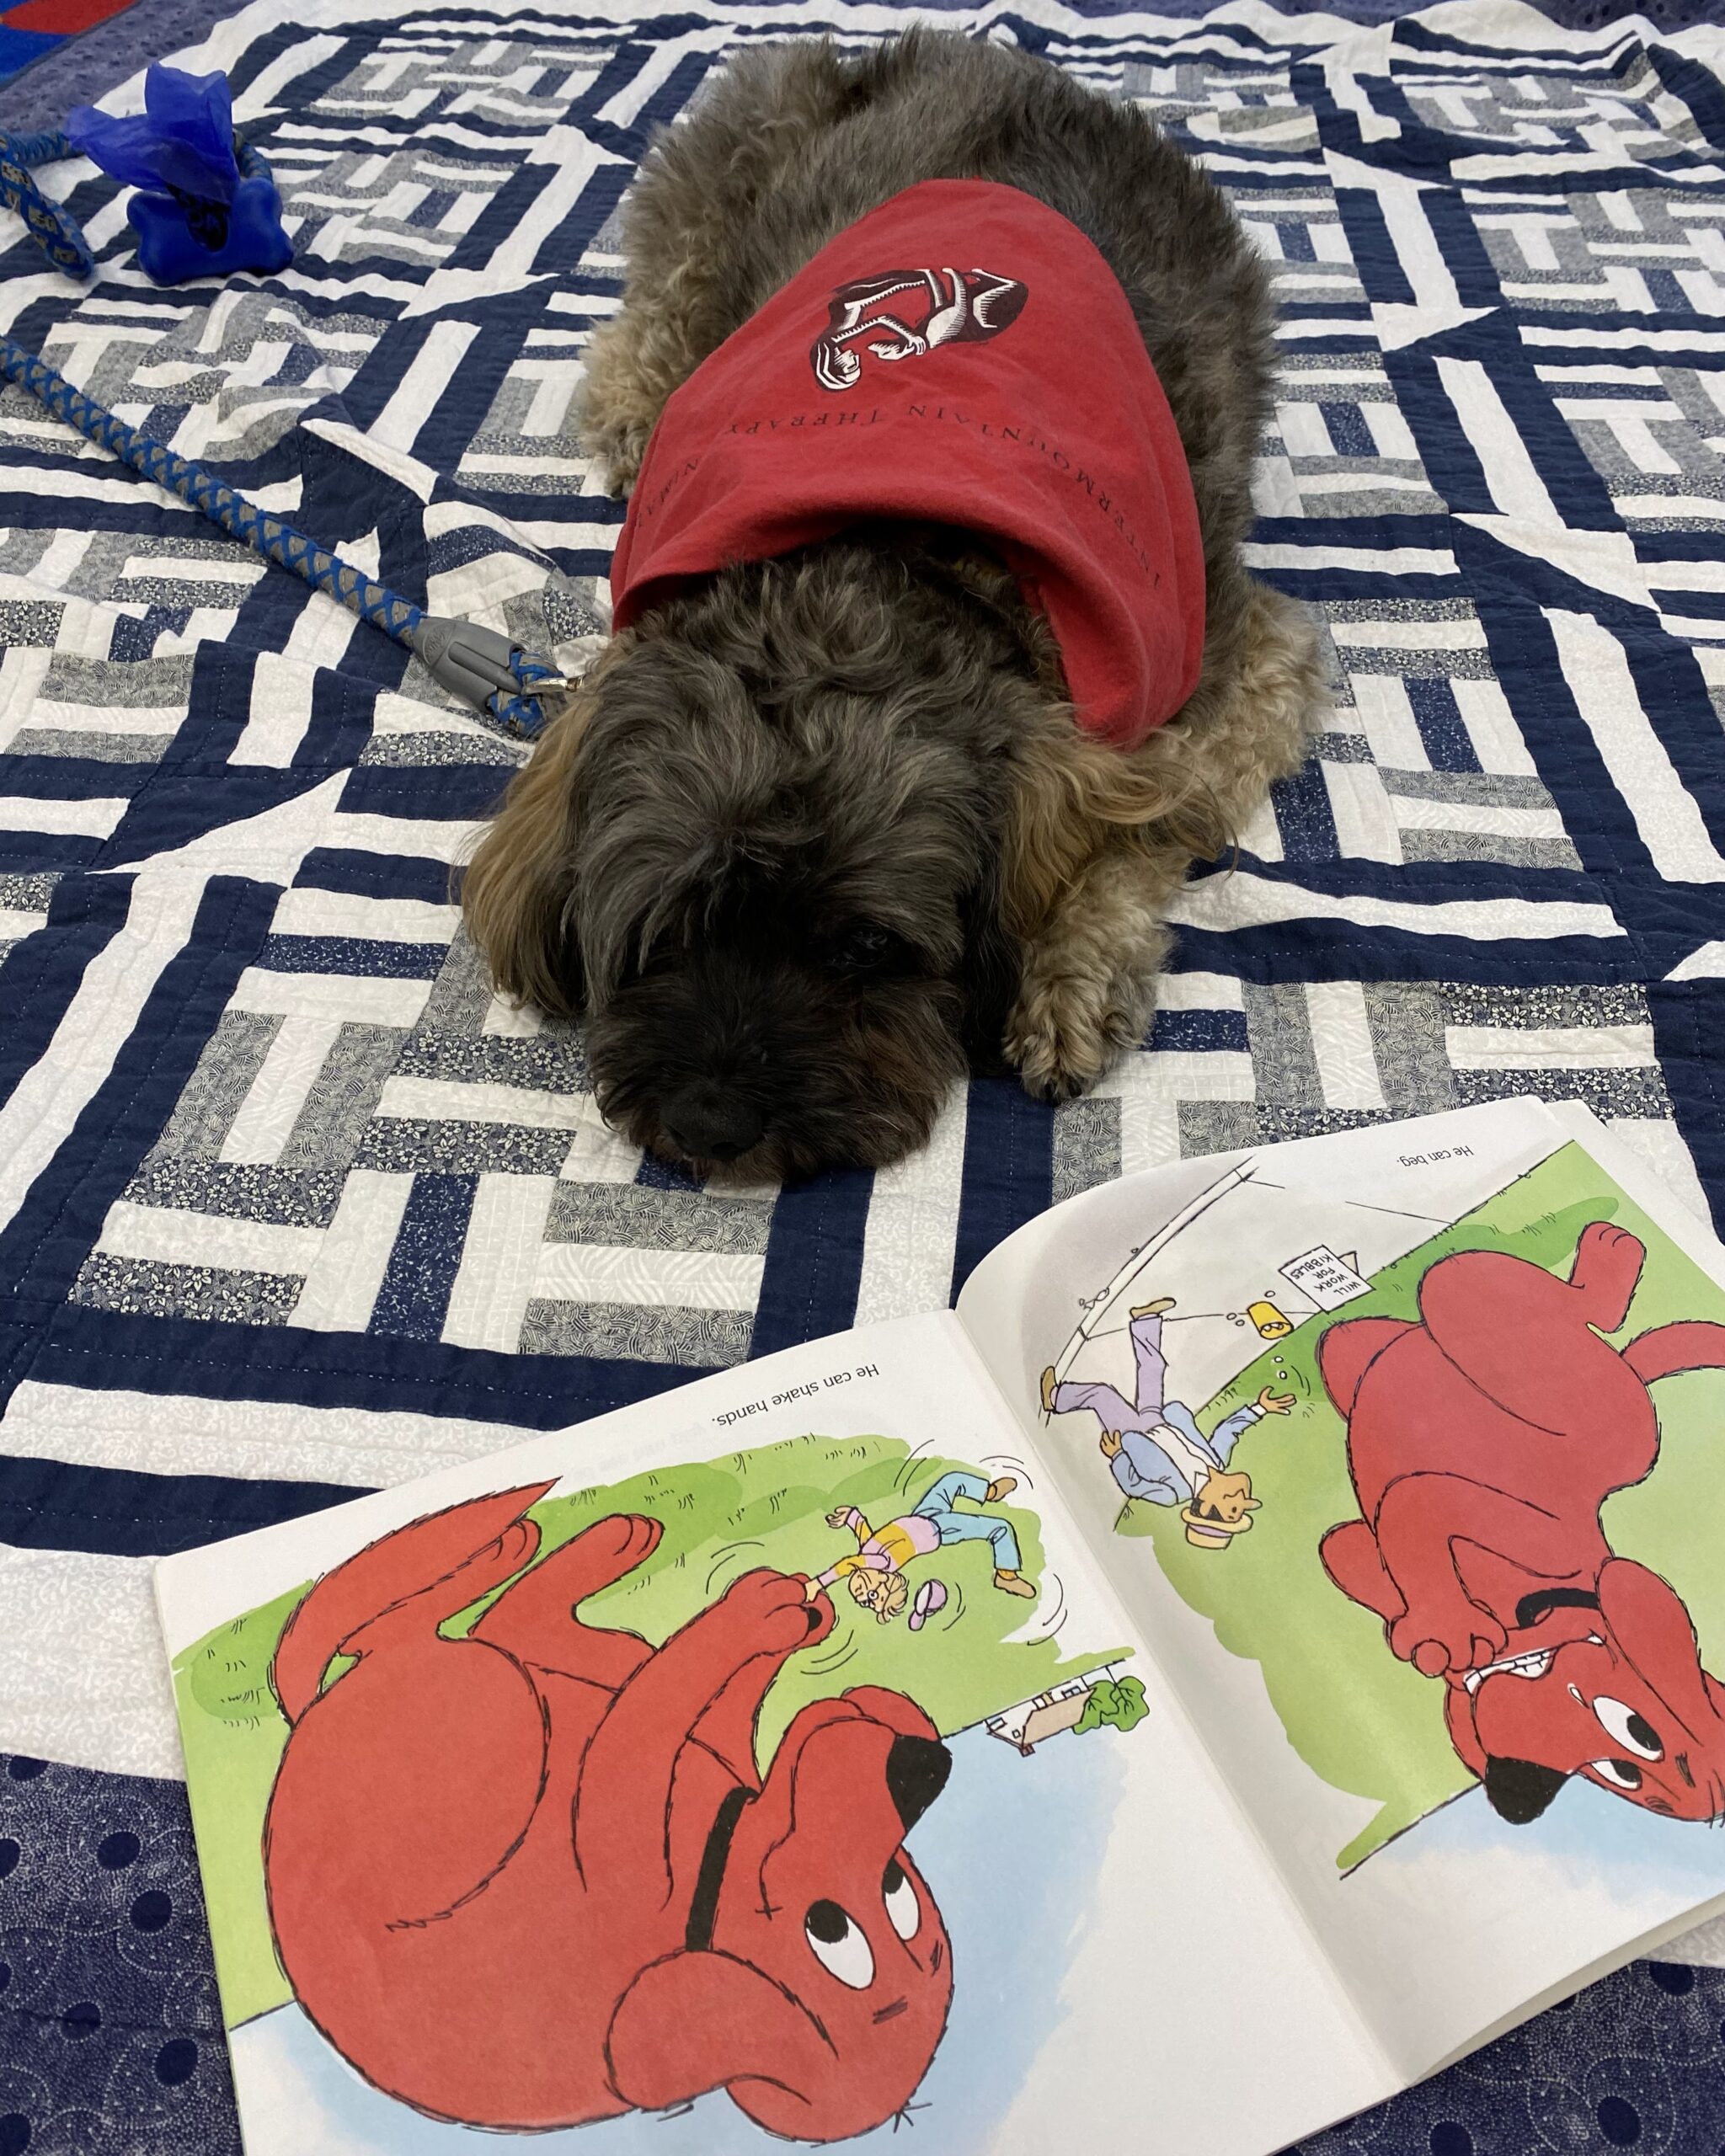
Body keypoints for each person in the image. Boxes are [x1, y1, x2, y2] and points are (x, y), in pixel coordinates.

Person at [1040, 1299, 1293, 1511]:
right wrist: (1259, 1408)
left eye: (1233, 1507)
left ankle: (1054, 1398)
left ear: (1205, 1506)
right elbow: (1228, 1431)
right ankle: (1144, 1321)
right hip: (1158, 1419)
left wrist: (1117, 1455)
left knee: (1102, 1395)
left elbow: (1134, 1486)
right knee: (1153, 1368)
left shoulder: (1173, 1494)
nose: (1241, 1496)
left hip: (1132, 1434)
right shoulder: (1217, 1460)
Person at [815, 1470, 1037, 1620]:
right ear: (885, 1578)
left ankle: (989, 1493)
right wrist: (819, 1584)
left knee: (952, 1481)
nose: (862, 1593)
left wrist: (851, 1517)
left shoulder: (869, 1556)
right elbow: (850, 1563)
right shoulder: (881, 1563)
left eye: (866, 1598)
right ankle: (1006, 1577)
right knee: (1000, 1528)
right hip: (940, 1529)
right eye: (870, 1597)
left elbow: (864, 1538)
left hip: (923, 1514)